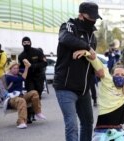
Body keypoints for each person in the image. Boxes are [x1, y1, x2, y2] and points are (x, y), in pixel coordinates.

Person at [72, 49, 124, 141]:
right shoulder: (107, 80)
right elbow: (95, 60)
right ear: (112, 75)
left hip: (118, 132)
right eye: (117, 74)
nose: (120, 76)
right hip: (102, 131)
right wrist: (86, 52)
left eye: (122, 75)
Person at [53, 2, 102, 141]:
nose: (93, 20)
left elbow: (92, 58)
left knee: (88, 123)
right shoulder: (68, 26)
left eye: (95, 18)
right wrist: (87, 47)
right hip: (65, 87)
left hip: (84, 89)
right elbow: (65, 38)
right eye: (90, 17)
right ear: (81, 15)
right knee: (72, 125)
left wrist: (97, 70)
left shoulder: (93, 36)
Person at [3, 60, 46, 129]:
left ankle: (37, 113)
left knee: (34, 93)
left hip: (21, 96)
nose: (16, 70)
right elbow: (22, 78)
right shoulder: (8, 77)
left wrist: (27, 65)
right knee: (21, 101)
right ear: (10, 69)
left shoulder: (18, 73)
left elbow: (27, 68)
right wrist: (26, 67)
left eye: (17, 68)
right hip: (12, 99)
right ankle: (21, 122)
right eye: (14, 68)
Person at [18, 37, 47, 123]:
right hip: (29, 79)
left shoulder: (37, 52)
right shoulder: (21, 56)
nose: (26, 44)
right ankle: (29, 115)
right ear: (22, 43)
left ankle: (34, 112)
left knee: (38, 95)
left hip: (39, 77)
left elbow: (44, 63)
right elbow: (20, 69)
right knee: (31, 95)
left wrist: (33, 66)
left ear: (30, 42)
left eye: (28, 42)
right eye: (24, 42)